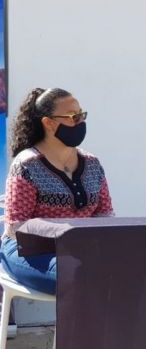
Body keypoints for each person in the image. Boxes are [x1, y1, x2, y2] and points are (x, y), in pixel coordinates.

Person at [0, 88, 113, 294]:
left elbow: (105, 215)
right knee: (76, 272)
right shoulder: (27, 165)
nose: (80, 122)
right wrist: (64, 234)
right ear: (49, 123)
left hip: (79, 249)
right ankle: (78, 327)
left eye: (81, 115)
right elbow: (16, 226)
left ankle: (116, 327)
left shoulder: (92, 164)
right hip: (27, 250)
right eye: (72, 117)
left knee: (129, 266)